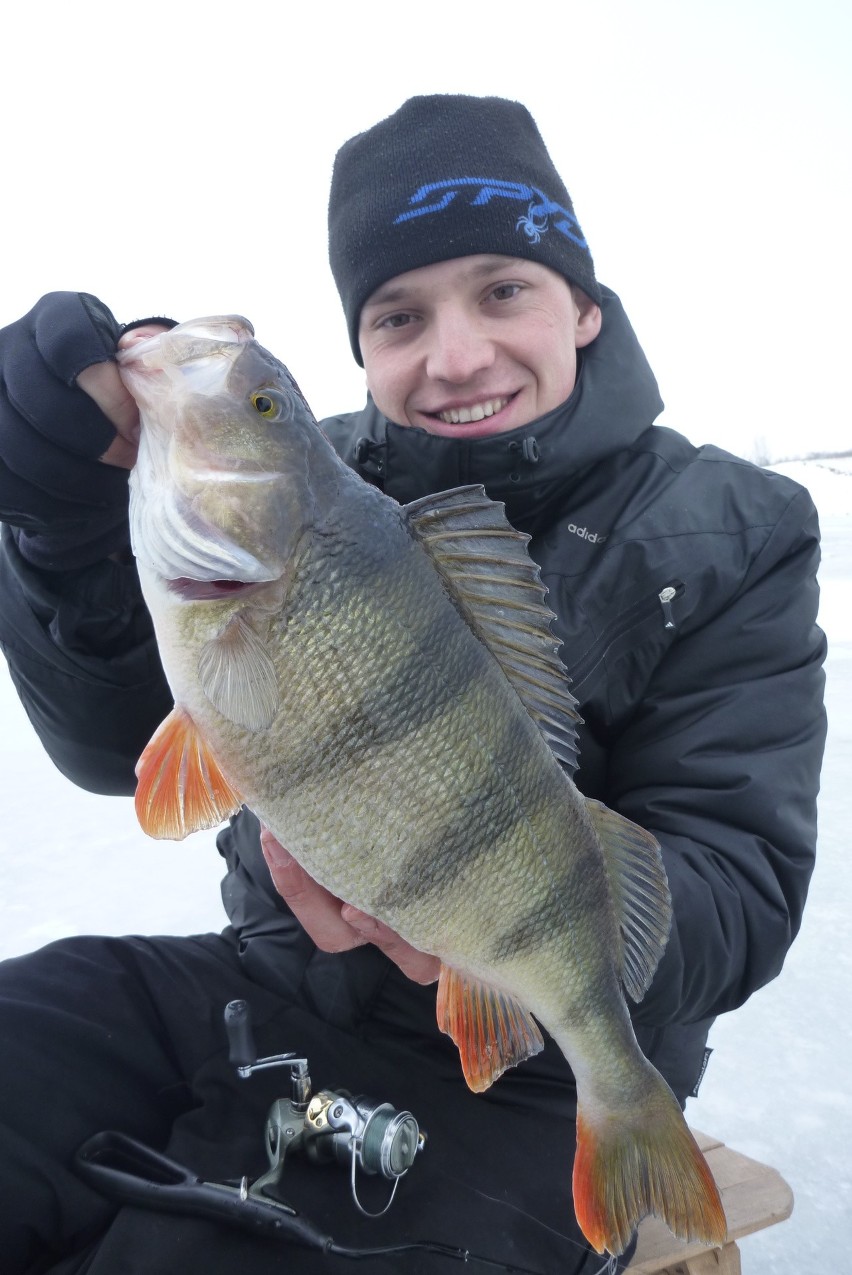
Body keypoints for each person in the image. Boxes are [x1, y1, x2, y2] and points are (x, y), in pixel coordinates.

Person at [0, 95, 826, 1275]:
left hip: (533, 1069)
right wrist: (61, 531)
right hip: (263, 986)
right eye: (399, 314)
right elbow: (109, 745)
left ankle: (621, 1114)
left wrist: (480, 951)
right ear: (362, 345)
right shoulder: (315, 486)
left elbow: (737, 884)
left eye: (504, 289)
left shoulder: (734, 531)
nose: (455, 355)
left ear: (583, 305)